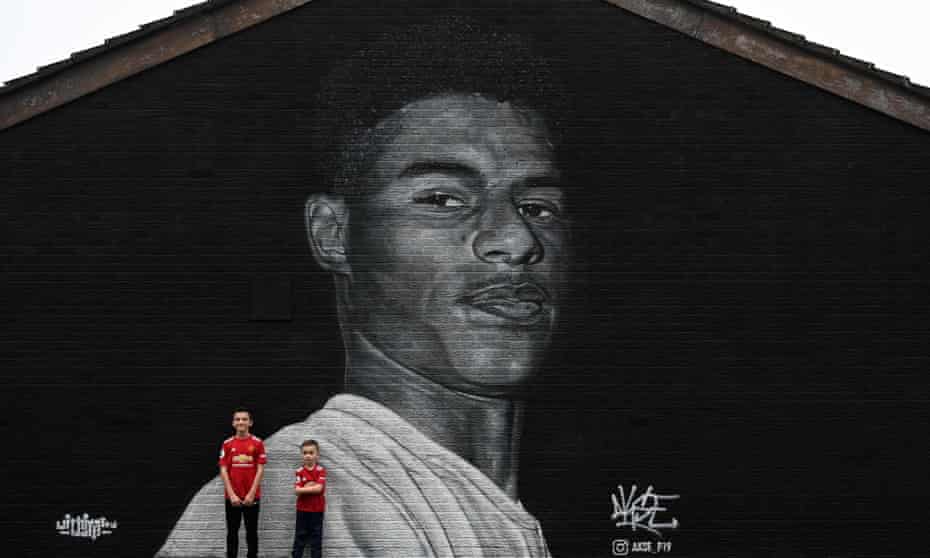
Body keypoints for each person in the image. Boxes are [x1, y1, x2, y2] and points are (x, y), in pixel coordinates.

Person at [158, 17, 567, 557]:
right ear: (333, 234)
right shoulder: (301, 500)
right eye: (442, 199)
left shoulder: (476, 507)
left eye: (538, 207)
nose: (517, 239)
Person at [219, 408, 267, 558]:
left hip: (252, 497)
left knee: (251, 532)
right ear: (233, 423)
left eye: (244, 419)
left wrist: (251, 494)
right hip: (232, 498)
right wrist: (232, 494)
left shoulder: (258, 443)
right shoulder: (227, 444)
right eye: (238, 419)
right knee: (232, 532)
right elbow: (224, 470)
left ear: (250, 422)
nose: (241, 422)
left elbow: (260, 470)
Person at [291, 440, 326, 558]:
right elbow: (296, 491)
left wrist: (305, 488)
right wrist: (312, 486)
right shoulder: (299, 472)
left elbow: (319, 489)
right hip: (302, 510)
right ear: (302, 455)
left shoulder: (320, 470)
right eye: (305, 453)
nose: (308, 456)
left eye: (311, 453)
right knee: (299, 538)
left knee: (316, 540)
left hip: (317, 510)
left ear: (317, 455)